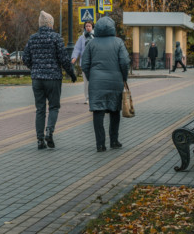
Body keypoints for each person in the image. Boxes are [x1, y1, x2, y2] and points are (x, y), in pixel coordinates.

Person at [23, 11, 77, 149]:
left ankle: (40, 140)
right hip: (53, 78)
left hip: (37, 79)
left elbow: (26, 58)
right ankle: (49, 131)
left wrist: (35, 68)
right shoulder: (56, 38)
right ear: (50, 24)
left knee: (40, 109)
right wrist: (72, 74)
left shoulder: (32, 38)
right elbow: (64, 59)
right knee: (54, 106)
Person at [81, 16, 130, 152]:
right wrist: (123, 77)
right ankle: (114, 140)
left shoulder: (91, 43)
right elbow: (125, 62)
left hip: (96, 82)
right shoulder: (118, 42)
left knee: (98, 112)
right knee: (114, 110)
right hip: (115, 81)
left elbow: (84, 64)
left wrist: (92, 78)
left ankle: (100, 144)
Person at [71, 21, 94, 104]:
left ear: (92, 27)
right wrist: (74, 57)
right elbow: (77, 48)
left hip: (95, 63)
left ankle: (94, 97)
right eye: (86, 26)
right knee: (86, 82)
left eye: (89, 26)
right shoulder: (82, 38)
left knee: (94, 81)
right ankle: (87, 98)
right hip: (85, 63)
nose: (88, 27)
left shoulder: (96, 37)